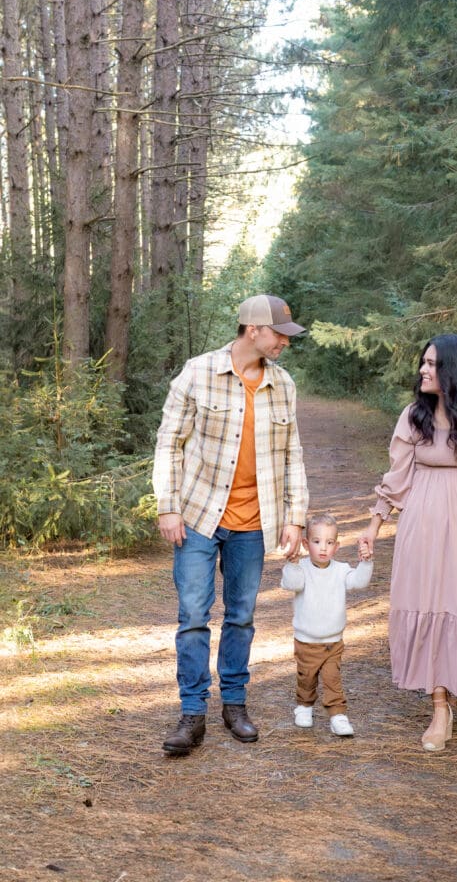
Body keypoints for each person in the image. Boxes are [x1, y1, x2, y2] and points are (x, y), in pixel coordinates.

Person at [153, 294, 309, 755]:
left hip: (254, 522)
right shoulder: (198, 372)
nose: (285, 340)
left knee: (241, 617)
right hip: (199, 515)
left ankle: (235, 705)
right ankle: (192, 713)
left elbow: (292, 455)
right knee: (194, 618)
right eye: (279, 332)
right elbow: (169, 444)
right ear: (253, 330)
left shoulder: (283, 385)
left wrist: (295, 516)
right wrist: (167, 505)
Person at [357, 333, 457, 752]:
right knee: (428, 605)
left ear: (454, 369)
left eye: (432, 364)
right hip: (423, 524)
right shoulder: (415, 415)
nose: (423, 370)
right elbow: (396, 479)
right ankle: (439, 707)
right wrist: (374, 525)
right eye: (423, 363)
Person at [281, 512, 373, 737]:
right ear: (305, 543)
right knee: (307, 677)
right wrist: (292, 564)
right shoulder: (301, 568)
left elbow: (358, 582)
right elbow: (291, 584)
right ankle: (304, 705)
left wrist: (366, 561)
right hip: (306, 641)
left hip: (333, 641)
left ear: (337, 546)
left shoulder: (341, 570)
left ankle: (337, 714)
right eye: (316, 541)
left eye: (329, 542)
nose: (323, 548)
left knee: (333, 678)